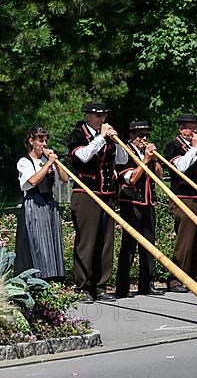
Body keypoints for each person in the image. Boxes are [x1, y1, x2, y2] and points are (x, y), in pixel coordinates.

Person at [66, 101, 126, 302]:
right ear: (88, 117)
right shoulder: (78, 134)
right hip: (86, 193)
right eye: (98, 116)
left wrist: (117, 141)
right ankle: (82, 285)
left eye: (104, 116)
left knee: (106, 241)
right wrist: (100, 137)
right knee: (87, 241)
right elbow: (82, 157)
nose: (102, 120)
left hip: (107, 194)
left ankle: (100, 285)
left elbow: (122, 160)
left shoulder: (108, 137)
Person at [115, 121, 165, 298]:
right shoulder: (124, 151)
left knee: (149, 245)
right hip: (131, 202)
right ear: (131, 136)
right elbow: (131, 179)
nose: (143, 139)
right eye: (139, 135)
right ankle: (122, 287)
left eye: (146, 135)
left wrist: (155, 158)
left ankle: (147, 284)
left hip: (148, 202)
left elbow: (159, 176)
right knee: (129, 245)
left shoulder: (148, 155)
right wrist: (145, 159)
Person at [163, 114, 197, 293]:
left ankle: (196, 277)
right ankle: (176, 279)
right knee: (186, 239)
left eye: (195, 128)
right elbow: (180, 167)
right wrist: (194, 148)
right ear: (181, 129)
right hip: (183, 197)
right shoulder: (173, 146)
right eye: (190, 128)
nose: (194, 131)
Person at [15, 127, 68, 281]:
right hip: (34, 202)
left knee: (52, 239)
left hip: (49, 202)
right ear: (31, 141)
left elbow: (64, 178)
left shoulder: (48, 161)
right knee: (39, 241)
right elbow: (32, 181)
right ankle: (40, 276)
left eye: (45, 140)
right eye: (40, 140)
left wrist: (56, 162)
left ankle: (55, 276)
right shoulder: (24, 161)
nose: (44, 144)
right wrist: (48, 163)